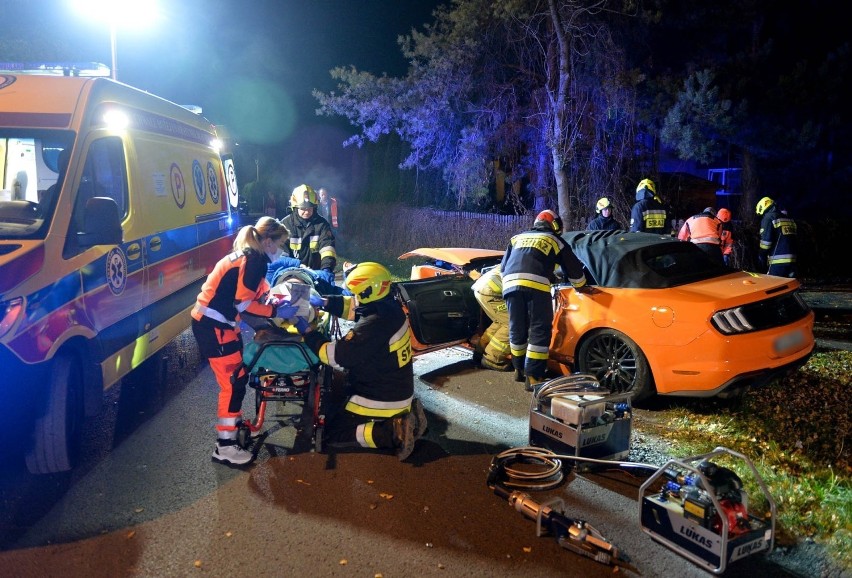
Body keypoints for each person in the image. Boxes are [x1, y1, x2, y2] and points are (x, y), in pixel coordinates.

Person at [293, 262, 426, 461]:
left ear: (369, 292)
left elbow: (337, 356)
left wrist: (307, 332)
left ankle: (392, 432)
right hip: (395, 388)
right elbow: (354, 308)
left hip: (379, 398)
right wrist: (324, 302)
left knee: (332, 432)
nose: (354, 298)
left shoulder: (373, 324)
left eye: (357, 293)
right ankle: (406, 416)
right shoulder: (388, 305)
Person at [191, 216, 294, 465]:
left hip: (219, 325)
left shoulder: (250, 255)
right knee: (233, 383)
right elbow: (244, 304)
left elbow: (258, 290)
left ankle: (233, 428)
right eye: (280, 243)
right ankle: (225, 447)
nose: (281, 249)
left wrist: (274, 299)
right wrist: (276, 313)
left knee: (237, 378)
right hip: (213, 327)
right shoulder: (255, 259)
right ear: (268, 240)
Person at [501, 210, 587, 392]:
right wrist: (581, 285)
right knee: (539, 330)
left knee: (517, 328)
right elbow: (574, 270)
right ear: (554, 225)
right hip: (536, 287)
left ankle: (519, 369)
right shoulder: (554, 240)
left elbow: (504, 267)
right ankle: (533, 376)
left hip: (509, 285)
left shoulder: (516, 238)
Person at [280, 184, 338, 288]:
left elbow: (327, 248)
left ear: (315, 207)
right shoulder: (285, 225)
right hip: (291, 277)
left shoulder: (322, 225)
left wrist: (327, 269)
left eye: (310, 208)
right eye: (303, 208)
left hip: (316, 276)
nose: (306, 212)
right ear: (295, 207)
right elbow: (280, 255)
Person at [471, 264, 512, 371]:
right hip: (492, 292)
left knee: (500, 322)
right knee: (512, 324)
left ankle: (480, 350)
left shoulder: (519, 256)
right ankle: (492, 358)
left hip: (482, 289)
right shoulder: (537, 266)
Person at [756, 196, 798, 277]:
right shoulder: (788, 218)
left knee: (773, 285)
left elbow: (766, 243)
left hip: (778, 261)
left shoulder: (768, 218)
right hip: (793, 260)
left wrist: (761, 254)